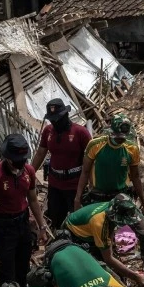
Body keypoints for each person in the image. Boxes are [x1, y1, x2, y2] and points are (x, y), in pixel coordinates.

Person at [0, 134, 49, 287]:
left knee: (23, 264)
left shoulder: (29, 171)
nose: (21, 164)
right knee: (6, 271)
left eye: (23, 160)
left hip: (22, 221)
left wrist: (42, 227)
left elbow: (32, 199)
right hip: (2, 225)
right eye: (17, 161)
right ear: (7, 158)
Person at [62, 194, 144, 287]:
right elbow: (108, 259)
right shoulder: (99, 223)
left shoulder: (122, 206)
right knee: (102, 271)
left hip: (95, 227)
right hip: (76, 234)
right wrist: (135, 277)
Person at [32, 98, 91, 229]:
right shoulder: (48, 131)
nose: (55, 122)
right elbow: (40, 153)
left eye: (57, 118)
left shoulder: (80, 133)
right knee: (55, 219)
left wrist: (90, 186)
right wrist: (30, 173)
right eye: (52, 119)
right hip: (55, 185)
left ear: (66, 114)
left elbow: (91, 161)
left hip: (74, 185)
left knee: (78, 221)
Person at [75, 115, 144, 212]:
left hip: (120, 195)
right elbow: (85, 172)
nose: (121, 140)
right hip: (97, 194)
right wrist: (77, 198)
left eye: (124, 138)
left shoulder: (132, 149)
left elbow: (135, 176)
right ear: (111, 132)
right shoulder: (96, 145)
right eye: (118, 137)